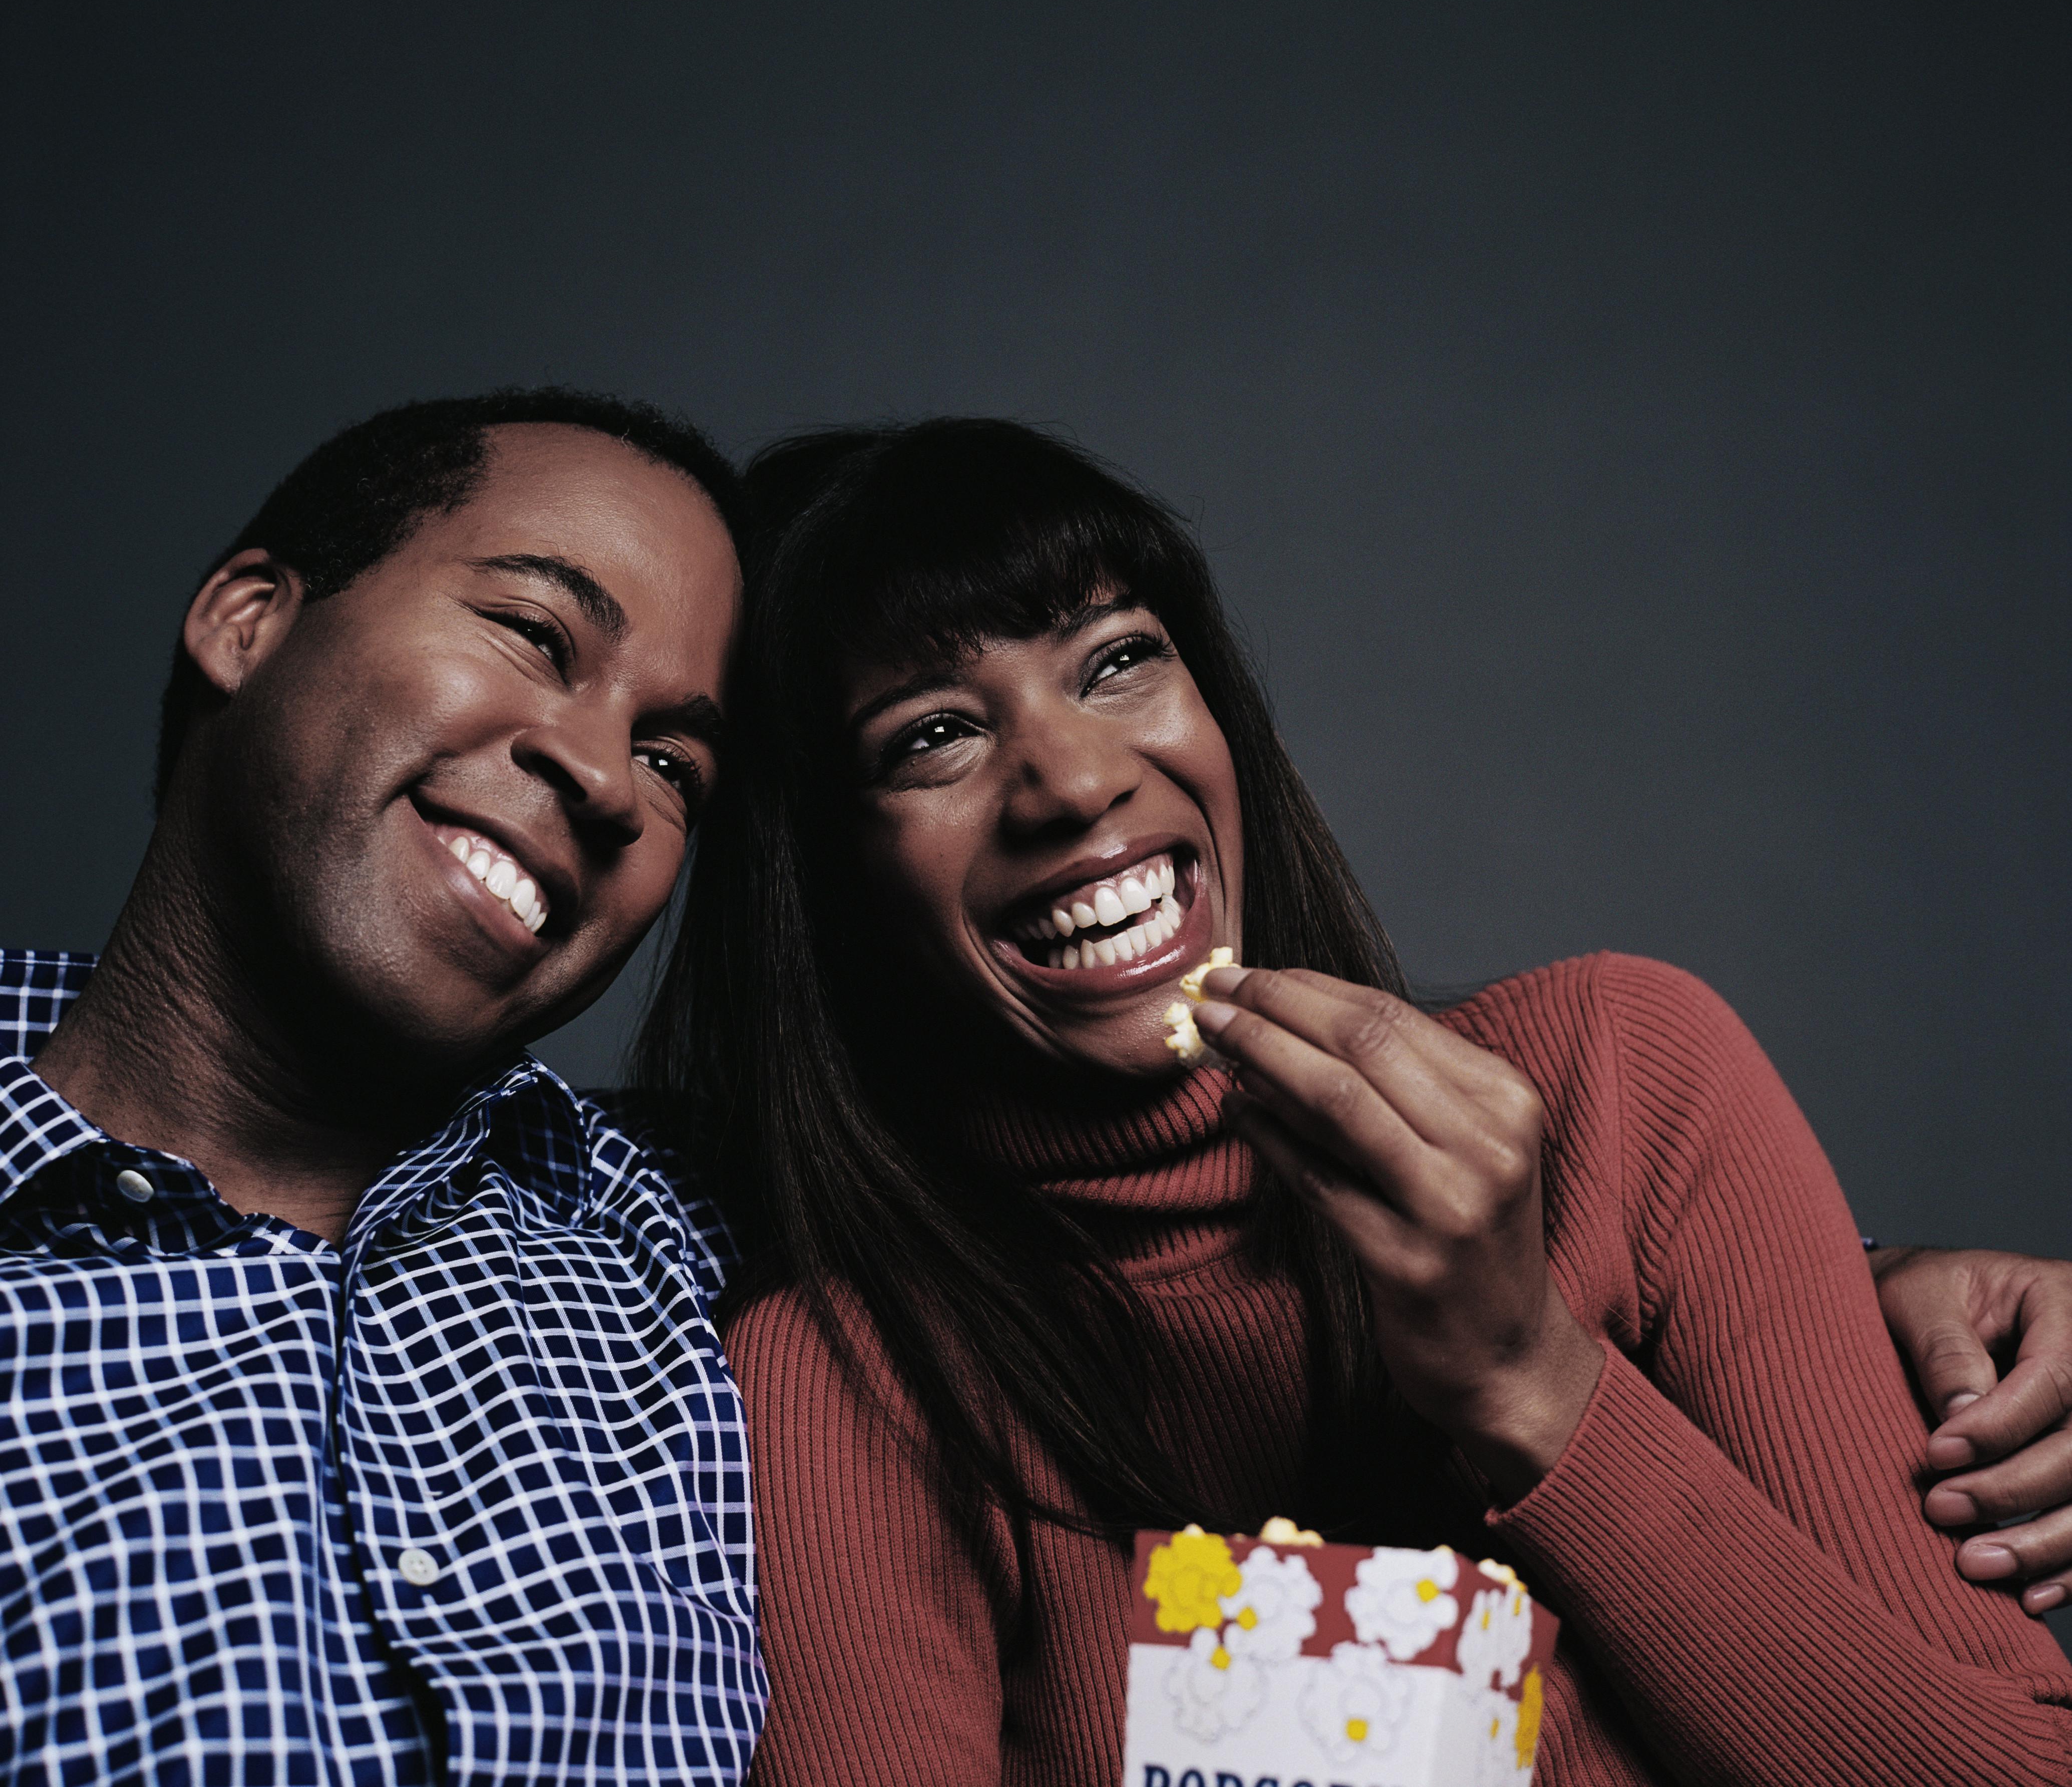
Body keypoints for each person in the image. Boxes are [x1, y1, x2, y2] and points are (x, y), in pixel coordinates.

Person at [661, 418, 2072, 1785]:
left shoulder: (1621, 1082)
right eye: (933, 740)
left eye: (1117, 663)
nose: (1077, 781)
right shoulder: (847, 1383)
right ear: (821, 885)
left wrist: (1531, 1383)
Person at [3, 390, 764, 1785]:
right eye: (536, 635)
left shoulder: (704, 1259)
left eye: (674, 764)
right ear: (250, 623)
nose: (604, 775)